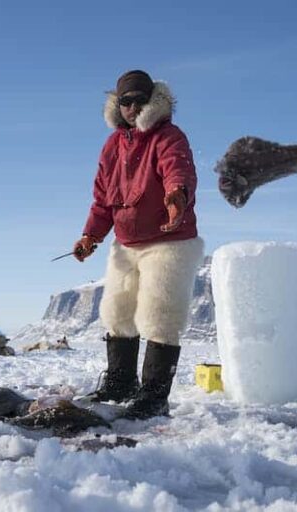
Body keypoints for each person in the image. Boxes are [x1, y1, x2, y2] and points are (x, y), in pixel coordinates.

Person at [72, 70, 204, 419]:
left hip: (168, 240)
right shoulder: (112, 146)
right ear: (117, 105)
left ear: (152, 100)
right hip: (126, 243)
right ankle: (120, 383)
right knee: (117, 313)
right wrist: (91, 235)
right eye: (125, 101)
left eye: (138, 100)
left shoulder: (168, 136)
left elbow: (179, 169)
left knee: (160, 314)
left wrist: (177, 196)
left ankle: (154, 396)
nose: (132, 107)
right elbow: (103, 199)